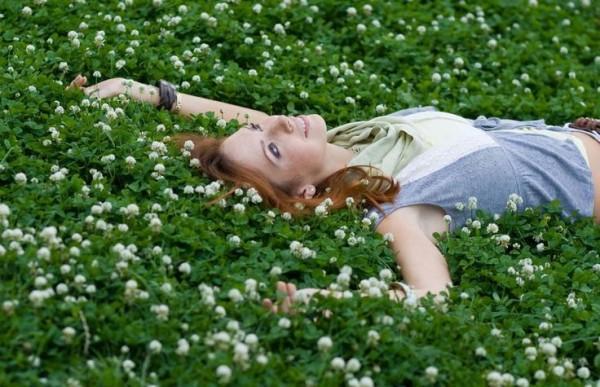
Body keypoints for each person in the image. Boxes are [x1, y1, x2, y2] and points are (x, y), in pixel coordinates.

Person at [67, 74, 600, 314]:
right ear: (303, 189)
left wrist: (154, 95)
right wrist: (327, 302)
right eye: (272, 149)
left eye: (264, 131)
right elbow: (433, 299)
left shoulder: (352, 140)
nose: (274, 123)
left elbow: (250, 124)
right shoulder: (398, 205)